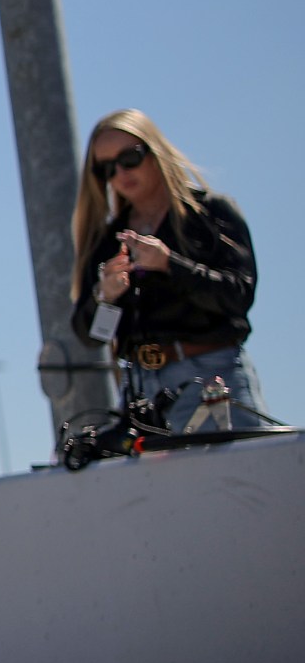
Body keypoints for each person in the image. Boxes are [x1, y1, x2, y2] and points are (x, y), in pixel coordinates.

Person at [69, 110, 267, 434]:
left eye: (130, 158)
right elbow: (92, 336)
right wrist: (105, 297)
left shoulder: (209, 214)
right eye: (106, 168)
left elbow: (238, 296)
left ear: (155, 151)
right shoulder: (107, 241)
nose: (120, 173)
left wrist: (170, 264)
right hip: (140, 391)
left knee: (233, 468)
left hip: (211, 378)